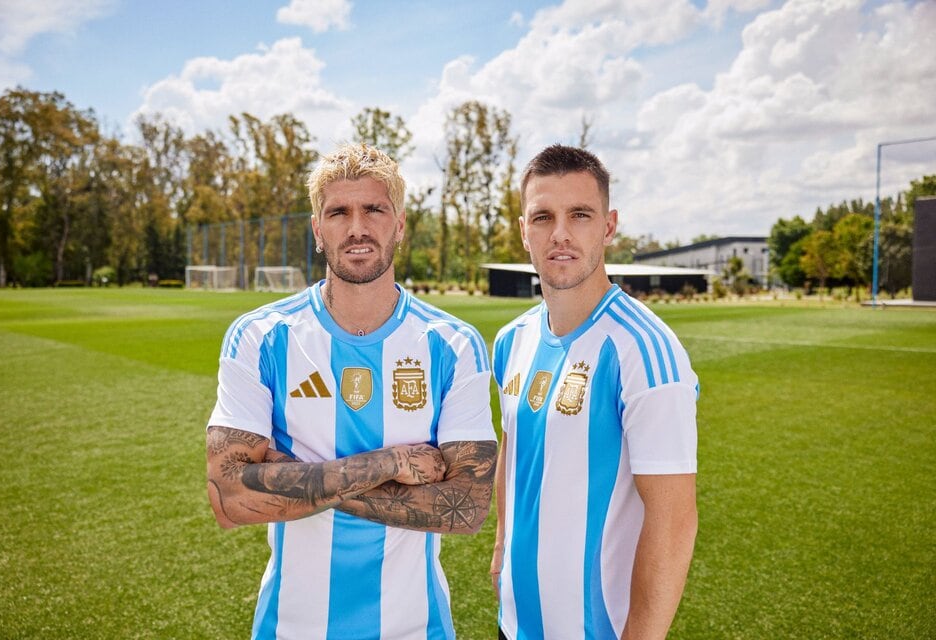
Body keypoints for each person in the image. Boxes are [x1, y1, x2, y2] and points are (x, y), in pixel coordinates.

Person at [206, 143, 497, 640]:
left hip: (415, 626)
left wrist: (298, 483)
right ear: (319, 230)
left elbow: (465, 506)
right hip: (292, 626)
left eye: (374, 210)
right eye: (339, 211)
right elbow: (230, 497)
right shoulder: (260, 336)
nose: (357, 227)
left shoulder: (452, 344)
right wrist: (389, 465)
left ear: (399, 225)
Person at [490, 144, 699, 640]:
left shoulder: (645, 351)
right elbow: (512, 447)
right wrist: (501, 543)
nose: (559, 234)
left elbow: (675, 521)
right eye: (542, 217)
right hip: (515, 623)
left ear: (608, 225)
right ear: (524, 231)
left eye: (579, 215)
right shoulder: (511, 340)